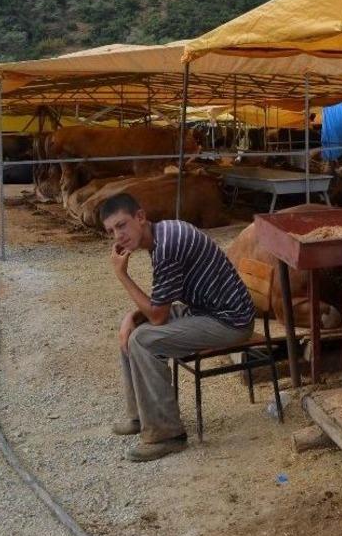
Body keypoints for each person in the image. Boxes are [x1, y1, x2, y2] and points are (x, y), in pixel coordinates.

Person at [101, 192, 256, 462]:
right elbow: (158, 304)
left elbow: (158, 316)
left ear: (140, 217)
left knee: (143, 340)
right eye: (111, 231)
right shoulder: (160, 238)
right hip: (205, 310)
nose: (118, 236)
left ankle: (167, 434)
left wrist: (121, 274)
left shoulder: (168, 245)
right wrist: (131, 317)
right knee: (135, 326)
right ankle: (140, 415)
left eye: (122, 225)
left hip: (230, 320)